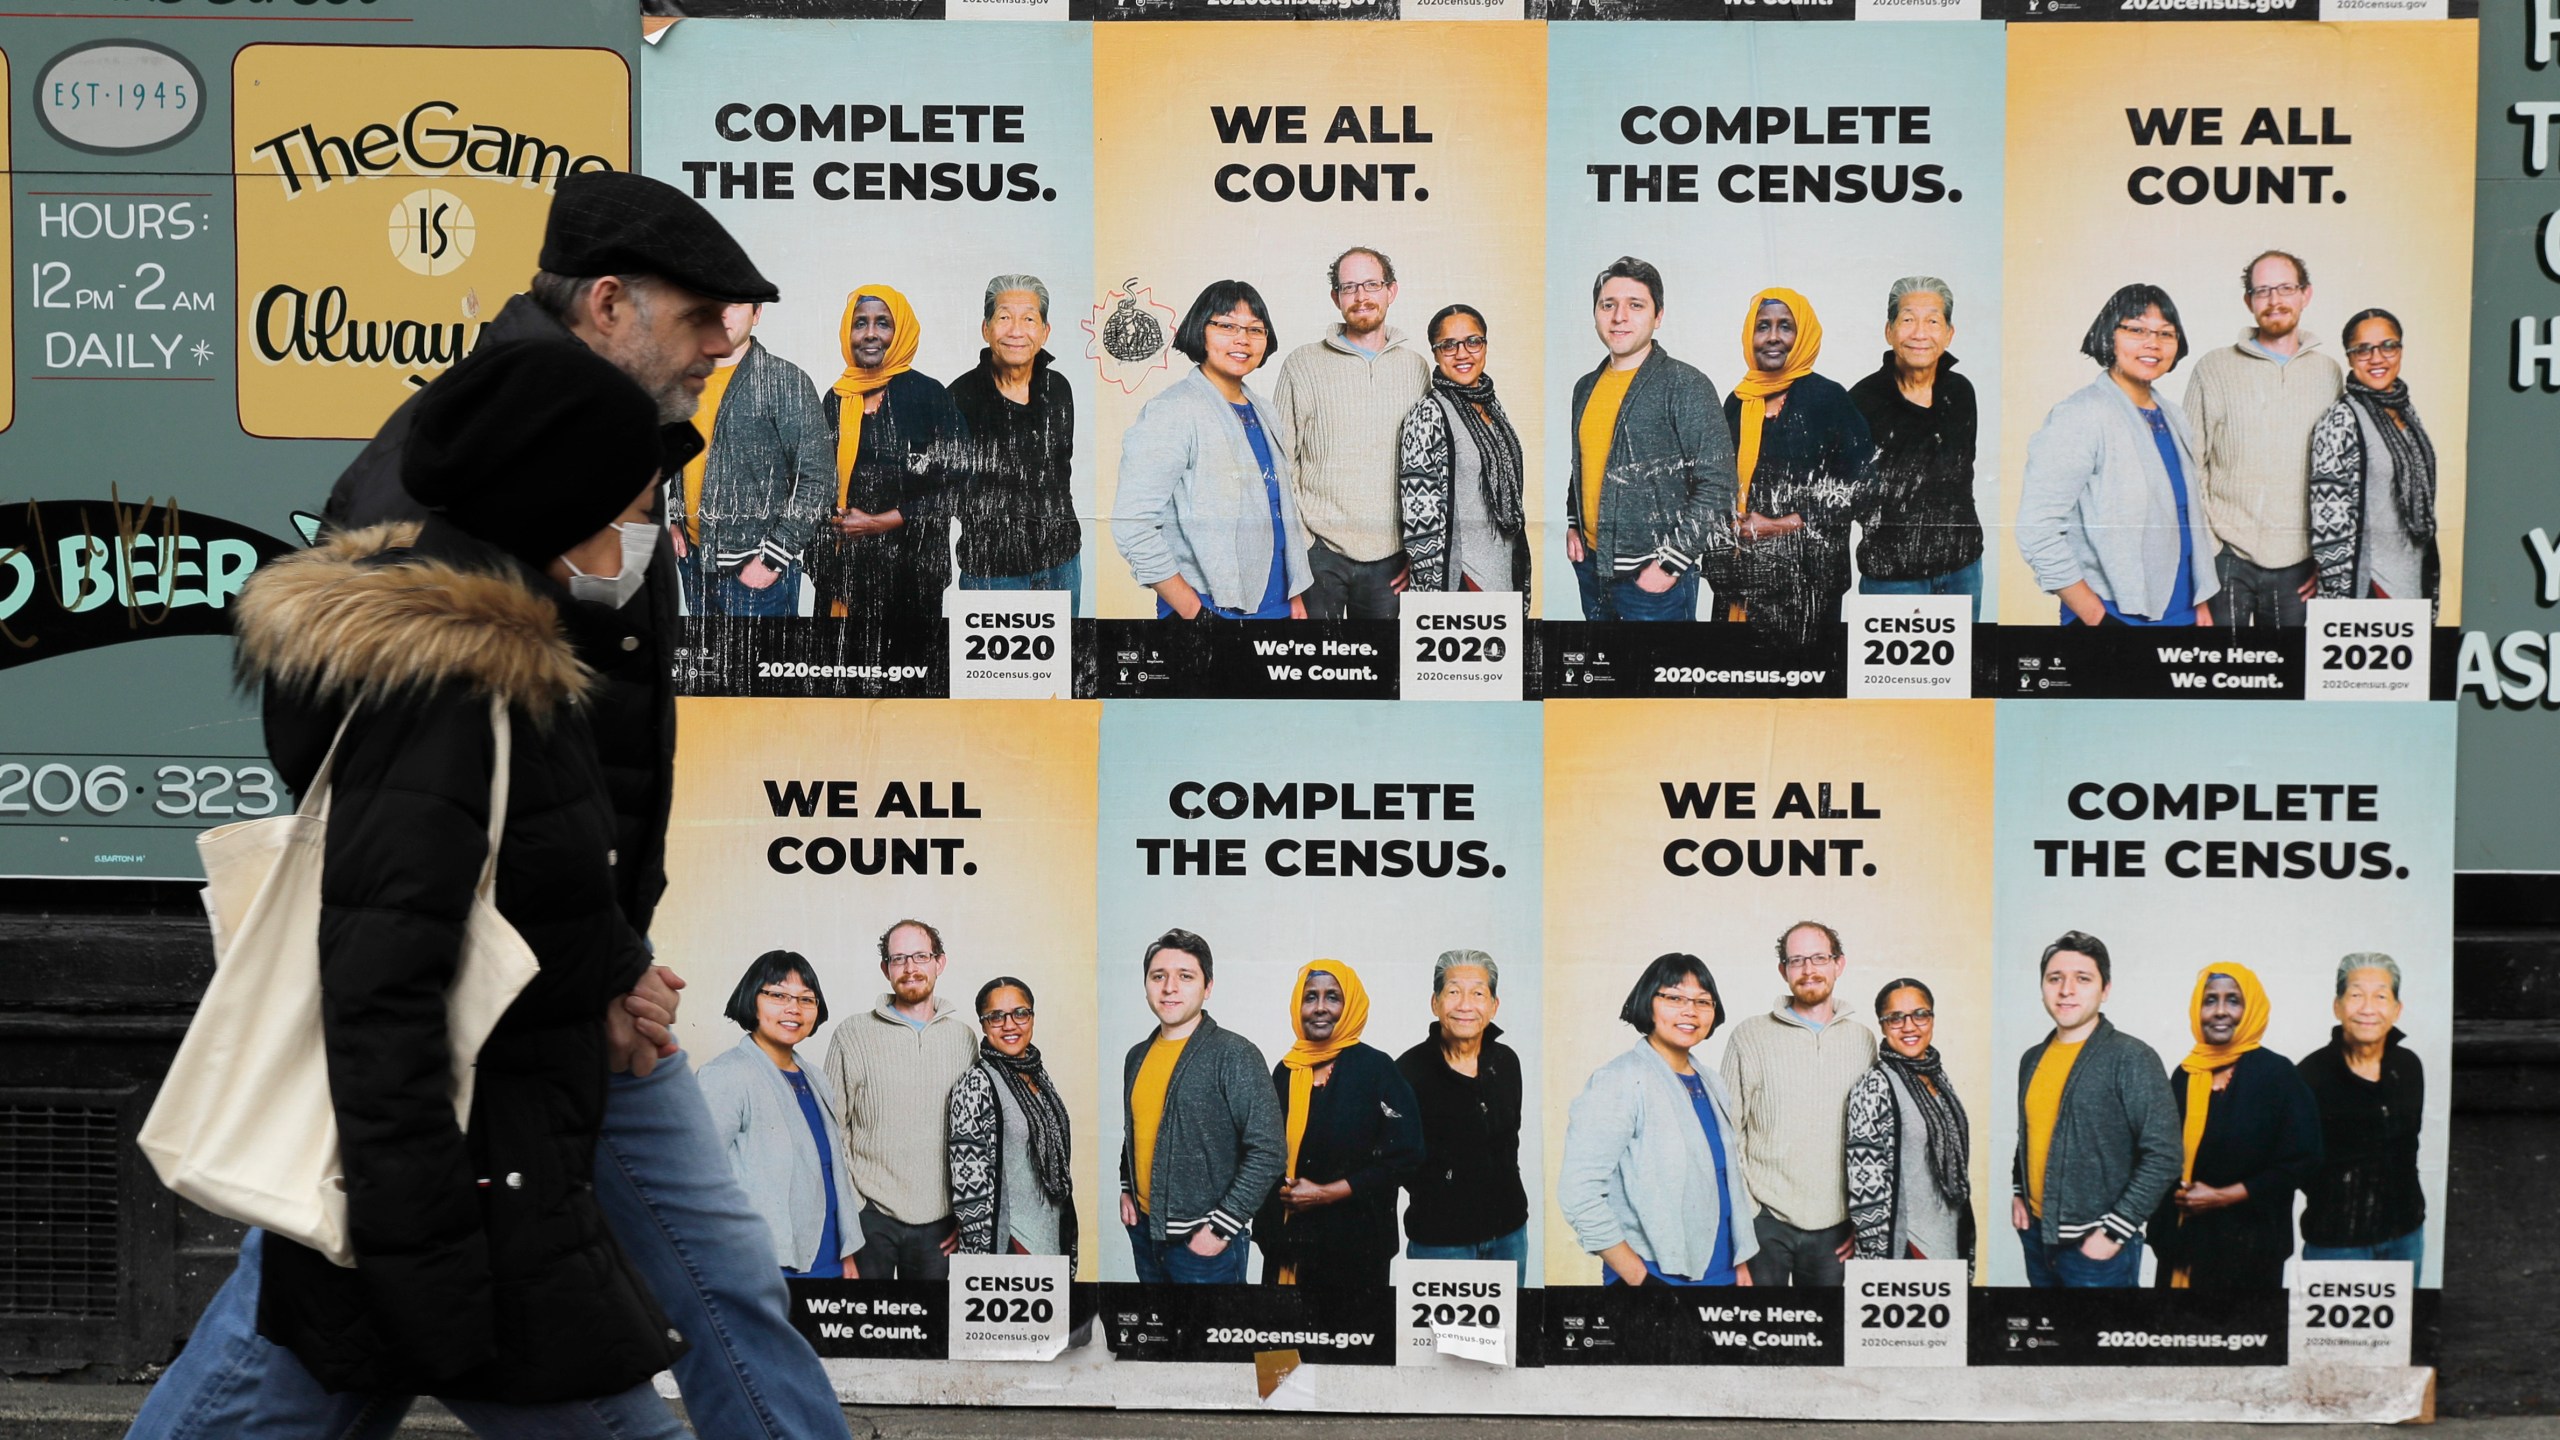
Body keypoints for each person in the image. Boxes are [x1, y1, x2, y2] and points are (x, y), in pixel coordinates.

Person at [143, 172, 857, 1440]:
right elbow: (406, 841)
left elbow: (588, 786)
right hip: (475, 1036)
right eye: (704, 319)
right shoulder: (472, 480)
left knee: (717, 1287)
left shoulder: (601, 454)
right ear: (607, 303)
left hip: (570, 1006)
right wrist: (588, 969)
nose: (722, 347)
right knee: (335, 1309)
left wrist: (613, 964)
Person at [222, 341, 686, 1432]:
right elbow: (383, 983)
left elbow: (515, 880)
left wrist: (615, 970)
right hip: (471, 1202)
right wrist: (427, 1264)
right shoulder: (453, 687)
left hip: (485, 1183)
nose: (646, 529)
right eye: (635, 500)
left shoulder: (514, 660)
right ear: (558, 496)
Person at [2015, 284, 2222, 627]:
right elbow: (2037, 528)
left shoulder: (2174, 415)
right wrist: (2095, 617)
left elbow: (2187, 520)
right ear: (2109, 334)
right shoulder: (2080, 414)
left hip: (2183, 613)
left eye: (2165, 333)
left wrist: (2200, 600)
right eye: (2137, 329)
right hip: (2112, 616)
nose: (2152, 343)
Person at [1113, 281, 1313, 621]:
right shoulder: (1173, 410)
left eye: (1255, 329)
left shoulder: (1264, 410)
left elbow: (1280, 509)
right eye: (1226, 326)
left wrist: (1294, 593)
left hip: (1277, 605)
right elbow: (1132, 524)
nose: (1243, 339)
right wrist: (1194, 611)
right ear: (1200, 330)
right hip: (1208, 609)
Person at [1558, 953, 1758, 1287]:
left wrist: (1740, 1263)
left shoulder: (1712, 1081)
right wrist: (1640, 1279)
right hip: (1653, 1278)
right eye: (1674, 998)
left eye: (1702, 1001)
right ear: (1648, 1002)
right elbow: (1578, 1193)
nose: (1689, 1011)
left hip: (1723, 1274)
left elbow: (1725, 1182)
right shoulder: (1620, 1079)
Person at [1565, 257, 1737, 622]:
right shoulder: (1585, 387)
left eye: (1635, 305)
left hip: (1653, 580)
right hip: (1592, 569)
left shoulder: (1685, 385)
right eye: (1608, 305)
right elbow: (1584, 463)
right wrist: (1572, 524)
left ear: (1658, 316)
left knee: (1656, 679)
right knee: (1604, 677)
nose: (1619, 316)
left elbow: (1719, 483)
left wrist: (1670, 565)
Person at [2011, 932, 2181, 1288]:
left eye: (2082, 979)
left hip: (2097, 1250)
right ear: (2042, 986)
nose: (2066, 989)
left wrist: (2113, 1233)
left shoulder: (2131, 1058)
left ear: (2105, 990)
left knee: (2097, 1343)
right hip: (2037, 1237)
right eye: (2055, 978)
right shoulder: (2032, 1058)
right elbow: (2030, 1133)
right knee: (2048, 1343)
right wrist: (2018, 1192)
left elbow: (2165, 1154)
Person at [1271, 247, 1433, 620]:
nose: (1361, 297)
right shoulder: (1302, 364)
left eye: (1372, 285)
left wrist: (1417, 549)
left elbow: (1430, 469)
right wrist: (1301, 550)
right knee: (1313, 671)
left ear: (1391, 291)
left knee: (1379, 672)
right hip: (1319, 553)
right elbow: (1280, 462)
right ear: (1336, 298)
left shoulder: (1416, 368)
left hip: (1391, 559)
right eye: (1349, 287)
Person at [2185, 250, 2345, 627]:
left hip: (2300, 566)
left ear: (2305, 295)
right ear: (2248, 302)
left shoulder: (2330, 373)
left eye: (2286, 288)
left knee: (2289, 680)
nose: (2275, 301)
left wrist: (2328, 559)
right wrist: (2208, 553)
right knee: (2223, 679)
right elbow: (2189, 464)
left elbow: (2341, 475)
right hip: (2226, 559)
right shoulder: (2213, 368)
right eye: (2263, 291)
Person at [1118, 929, 1286, 1283]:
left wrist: (1220, 1229)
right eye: (1158, 976)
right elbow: (1136, 1130)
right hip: (1146, 1234)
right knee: (1160, 1338)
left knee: (1207, 1340)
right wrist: (1126, 1188)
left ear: (1207, 987)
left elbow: (1269, 1150)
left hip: (1205, 1246)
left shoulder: (1234, 1054)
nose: (1169, 987)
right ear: (1146, 984)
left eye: (1185, 976)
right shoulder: (1137, 1056)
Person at [819, 918, 979, 1281]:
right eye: (899, 959)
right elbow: (831, 1128)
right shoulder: (852, 1034)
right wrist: (853, 1211)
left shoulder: (965, 1039)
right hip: (869, 1217)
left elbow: (977, 1137)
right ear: (885, 969)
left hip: (941, 1224)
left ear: (940, 963)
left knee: (932, 1334)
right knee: (866, 1333)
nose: (910, 968)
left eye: (921, 956)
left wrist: (965, 1215)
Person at [1719, 921, 1877, 1287]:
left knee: (1827, 1339)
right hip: (1765, 1222)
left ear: (1839, 964)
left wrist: (1863, 1219)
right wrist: (1747, 1218)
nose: (1809, 970)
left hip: (1836, 1229)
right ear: (1783, 971)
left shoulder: (1864, 1041)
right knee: (1758, 1339)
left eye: (1819, 958)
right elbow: (1727, 1132)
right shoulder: (1749, 1036)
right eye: (1797, 960)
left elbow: (1876, 1141)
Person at [806, 285, 968, 639]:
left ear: (901, 332)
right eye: (859, 323)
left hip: (913, 577)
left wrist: (880, 522)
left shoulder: (928, 395)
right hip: (844, 573)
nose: (870, 334)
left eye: (883, 324)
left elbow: (958, 485)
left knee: (909, 683)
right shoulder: (835, 399)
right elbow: (816, 481)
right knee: (842, 680)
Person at [2149, 964, 2323, 1290]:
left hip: (2252, 1248)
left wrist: (2222, 1197)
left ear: (2252, 1008)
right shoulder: (2185, 1075)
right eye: (2209, 1000)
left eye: (2233, 1001)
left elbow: (2302, 1162)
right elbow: (2160, 1155)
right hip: (2183, 1245)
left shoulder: (2277, 1075)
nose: (2219, 1012)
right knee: (2180, 1338)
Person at [1718, 289, 1874, 647]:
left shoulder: (1828, 399)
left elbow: (1862, 486)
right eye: (1763, 327)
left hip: (1809, 585)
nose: (1773, 337)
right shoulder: (1738, 402)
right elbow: (1715, 482)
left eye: (1785, 327)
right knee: (1738, 684)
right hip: (1742, 577)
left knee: (1806, 689)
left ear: (1802, 334)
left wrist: (1779, 526)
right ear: (1749, 335)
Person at [1252, 961, 1422, 1289]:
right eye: (1310, 997)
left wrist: (1326, 1194)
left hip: (1357, 1249)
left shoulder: (1376, 1070)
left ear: (1350, 1006)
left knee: (1349, 1339)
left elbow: (1405, 1158)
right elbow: (1262, 1151)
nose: (1319, 1008)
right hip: (1288, 1246)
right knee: (1287, 1334)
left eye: (1332, 997)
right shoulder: (1285, 1071)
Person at [698, 952, 867, 1279]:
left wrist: (846, 1252)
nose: (794, 1008)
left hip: (828, 1258)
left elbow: (831, 1173)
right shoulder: (726, 1075)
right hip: (762, 1264)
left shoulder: (815, 1076)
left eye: (806, 999)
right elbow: (697, 1180)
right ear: (752, 998)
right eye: (778, 995)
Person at [667, 301, 832, 617]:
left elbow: (819, 478)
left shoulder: (785, 381)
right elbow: (684, 460)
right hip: (695, 564)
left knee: (758, 665)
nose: (722, 312)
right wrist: (676, 518)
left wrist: (771, 560)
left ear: (757, 314)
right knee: (710, 666)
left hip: (755, 574)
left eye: (736, 303)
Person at [1851, 277, 1984, 619]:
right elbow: (1847, 491)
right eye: (1908, 320)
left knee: (1965, 670)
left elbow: (1961, 475)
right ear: (1889, 330)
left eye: (1933, 321)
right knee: (1891, 676)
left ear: (1949, 333)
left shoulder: (1960, 392)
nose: (1920, 333)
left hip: (1962, 570)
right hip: (1892, 577)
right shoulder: (1862, 401)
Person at [951, 275, 1085, 612]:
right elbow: (948, 486)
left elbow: (1061, 470)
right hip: (992, 570)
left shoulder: (1058, 390)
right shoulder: (959, 396)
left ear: (1044, 331)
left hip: (1061, 564)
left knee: (1064, 662)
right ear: (986, 328)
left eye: (1028, 319)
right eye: (1004, 317)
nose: (1016, 330)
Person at [1396, 951, 1530, 1286]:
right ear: (1435, 1002)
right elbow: (1397, 1159)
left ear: (1494, 1005)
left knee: (1506, 1338)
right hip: (1440, 1241)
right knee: (1441, 1340)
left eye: (1478, 993)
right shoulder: (1408, 1071)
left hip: (1509, 1234)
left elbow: (1509, 1141)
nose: (1465, 1005)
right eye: (1454, 992)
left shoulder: (1506, 1062)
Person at [2296, 954, 2427, 1268]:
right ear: (2337, 1005)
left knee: (2405, 1319)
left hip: (2405, 1236)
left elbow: (2410, 1143)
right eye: (2356, 995)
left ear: (2397, 1009)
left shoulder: (2408, 1067)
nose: (2368, 1008)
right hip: (2335, 1242)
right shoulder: (2310, 1075)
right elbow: (2296, 1159)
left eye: (2381, 996)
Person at [2309, 309, 2440, 612]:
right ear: (2350, 358)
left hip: (2413, 576)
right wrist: (2342, 604)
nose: (2377, 358)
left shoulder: (2407, 412)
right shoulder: (2340, 421)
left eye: (2388, 346)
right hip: (2367, 584)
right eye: (2363, 349)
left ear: (2400, 350)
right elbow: (2329, 525)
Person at [1397, 305, 1530, 599]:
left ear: (1484, 345)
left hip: (1503, 568)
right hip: (1459, 577)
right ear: (1435, 352)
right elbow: (1420, 519)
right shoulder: (1428, 415)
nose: (1462, 353)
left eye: (1472, 341)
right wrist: (1432, 591)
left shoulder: (1492, 407)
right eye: (1448, 345)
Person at [949, 976, 1079, 1266]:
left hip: (1052, 1234)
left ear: (1032, 1017)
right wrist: (982, 1261)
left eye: (1020, 1013)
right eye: (996, 1017)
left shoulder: (1038, 1076)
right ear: (983, 1024)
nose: (1010, 1025)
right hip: (1008, 1242)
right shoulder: (976, 1086)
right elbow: (968, 1188)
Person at [1845, 977, 1975, 1264]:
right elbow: (1864, 1187)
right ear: (1882, 1025)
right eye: (1895, 1018)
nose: (1909, 1026)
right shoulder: (1874, 1087)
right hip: (1904, 1245)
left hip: (1949, 1235)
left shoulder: (1939, 1078)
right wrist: (1881, 1260)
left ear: (1932, 1018)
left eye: (1920, 1014)